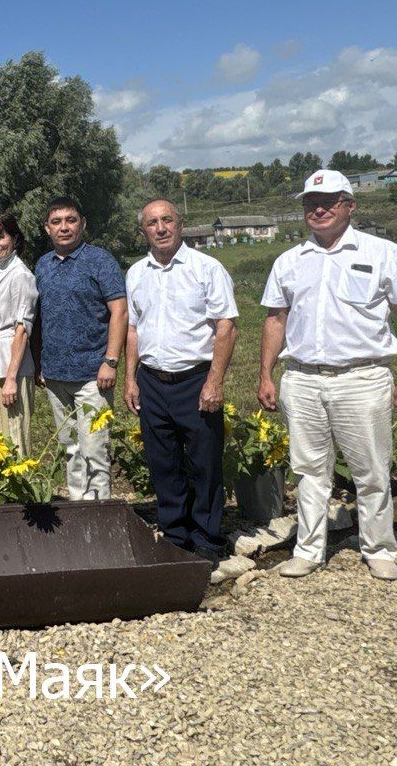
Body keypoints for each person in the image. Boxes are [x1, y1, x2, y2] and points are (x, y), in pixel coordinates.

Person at [259, 169, 397, 582]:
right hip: (302, 378)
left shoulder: (386, 253)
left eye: (330, 201)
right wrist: (265, 374)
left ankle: (379, 548)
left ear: (351, 205)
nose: (319, 209)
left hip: (362, 378)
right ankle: (308, 550)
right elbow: (275, 320)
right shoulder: (289, 260)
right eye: (311, 203)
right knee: (309, 470)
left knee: (370, 470)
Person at [124, 200, 238, 564]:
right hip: (152, 381)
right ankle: (174, 536)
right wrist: (131, 378)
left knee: (205, 463)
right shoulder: (136, 273)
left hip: (195, 379)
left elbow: (226, 326)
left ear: (181, 224)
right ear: (143, 231)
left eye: (167, 220)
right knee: (163, 463)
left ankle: (207, 539)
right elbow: (133, 329)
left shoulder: (206, 268)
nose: (160, 228)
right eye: (152, 223)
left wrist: (214, 382)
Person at [32, 196, 128, 501]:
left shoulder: (100, 261)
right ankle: (78, 508)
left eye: (70, 220)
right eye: (56, 222)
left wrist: (110, 361)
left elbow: (120, 311)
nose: (64, 227)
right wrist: (39, 365)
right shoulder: (43, 265)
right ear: (47, 228)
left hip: (92, 374)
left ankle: (98, 514)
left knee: (94, 447)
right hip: (55, 375)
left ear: (82, 224)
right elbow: (38, 319)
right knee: (69, 448)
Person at [0, 212, 38, 454]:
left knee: (14, 437)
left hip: (11, 367)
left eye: (0, 237)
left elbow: (22, 330)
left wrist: (11, 378)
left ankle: (19, 490)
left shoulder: (21, 276)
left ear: (15, 239)